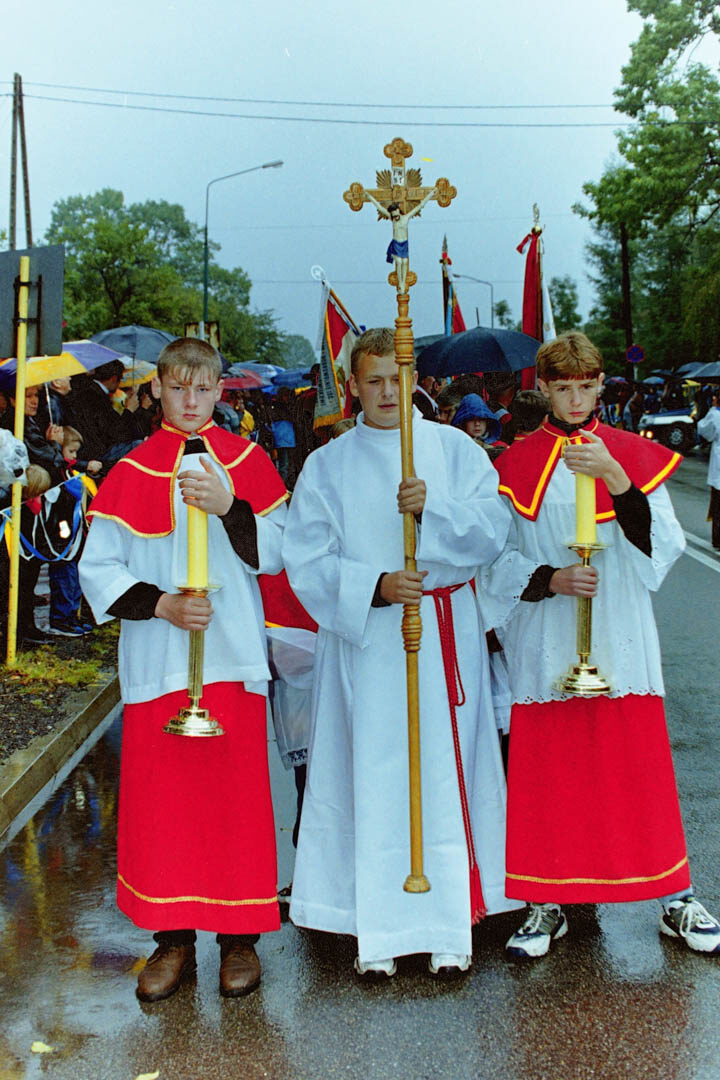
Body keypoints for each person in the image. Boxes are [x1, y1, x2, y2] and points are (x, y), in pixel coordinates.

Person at [282, 327, 520, 978]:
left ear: (416, 380)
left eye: (399, 378)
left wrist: (432, 509)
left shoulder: (453, 450)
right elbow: (305, 558)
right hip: (367, 643)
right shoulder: (327, 464)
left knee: (444, 770)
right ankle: (377, 928)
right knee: (373, 774)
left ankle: (448, 924)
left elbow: (492, 531)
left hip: (443, 631)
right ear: (354, 385)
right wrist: (374, 587)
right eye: (375, 381)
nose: (388, 392)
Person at [483, 331, 720, 959]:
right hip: (548, 636)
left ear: (600, 385)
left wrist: (617, 479)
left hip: (618, 632)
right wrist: (550, 579)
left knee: (636, 768)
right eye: (563, 388)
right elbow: (492, 559)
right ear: (543, 388)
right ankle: (545, 901)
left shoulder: (631, 455)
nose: (576, 399)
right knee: (551, 774)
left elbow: (664, 545)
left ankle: (675, 895)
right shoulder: (514, 466)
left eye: (586, 387)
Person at [79, 338, 288, 1002]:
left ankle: (239, 939)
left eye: (203, 389)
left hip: (230, 656)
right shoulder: (130, 470)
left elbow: (281, 551)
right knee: (163, 808)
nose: (191, 401)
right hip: (160, 658)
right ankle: (171, 941)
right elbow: (97, 567)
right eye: (178, 388)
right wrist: (162, 604)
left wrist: (230, 507)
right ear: (159, 390)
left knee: (234, 804)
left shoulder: (248, 462)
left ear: (219, 392)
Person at [71, 360, 143, 469]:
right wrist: (129, 411)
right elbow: (113, 432)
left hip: (95, 449)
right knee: (139, 445)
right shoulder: (94, 396)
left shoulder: (93, 392)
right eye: (120, 379)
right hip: (97, 454)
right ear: (114, 378)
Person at [364, 189, 437, 294]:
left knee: (405, 262)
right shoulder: (392, 219)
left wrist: (430, 194)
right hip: (396, 243)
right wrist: (369, 197)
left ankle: (402, 282)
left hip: (404, 244)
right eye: (393, 216)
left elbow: (420, 206)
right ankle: (401, 283)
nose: (395, 218)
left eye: (396, 215)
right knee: (399, 262)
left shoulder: (406, 218)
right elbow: (379, 207)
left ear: (399, 211)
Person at [697, 391, 720, 551]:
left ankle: (717, 538)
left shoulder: (715, 415)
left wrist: (711, 408)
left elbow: (705, 431)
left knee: (717, 503)